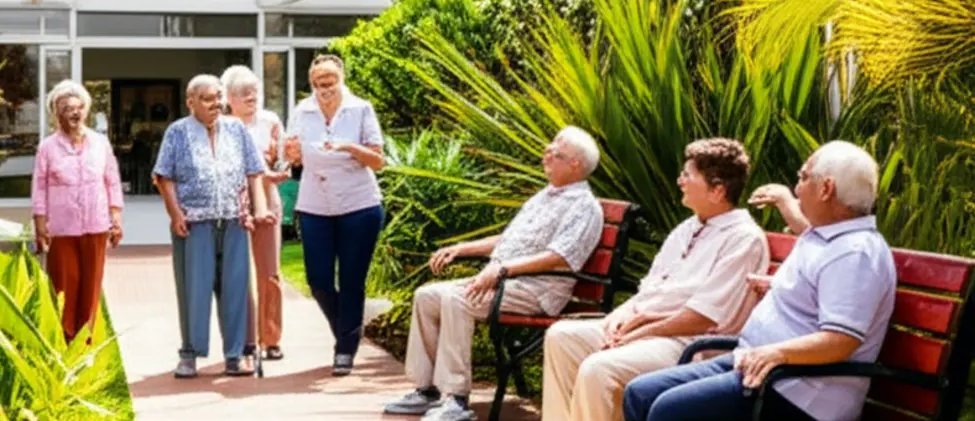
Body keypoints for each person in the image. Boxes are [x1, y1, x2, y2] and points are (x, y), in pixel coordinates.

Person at [622, 141, 895, 421]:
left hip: (798, 389)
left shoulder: (855, 253)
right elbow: (820, 291)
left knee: (669, 412)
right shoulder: (825, 237)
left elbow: (841, 340)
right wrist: (774, 286)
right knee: (640, 394)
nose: (796, 189)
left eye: (802, 178)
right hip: (755, 365)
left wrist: (776, 352)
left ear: (826, 189)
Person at [383, 126, 605, 421]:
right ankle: (427, 391)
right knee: (427, 295)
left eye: (555, 153)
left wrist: (502, 269)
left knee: (458, 299)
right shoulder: (546, 196)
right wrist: (462, 248)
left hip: (536, 290)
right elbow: (509, 239)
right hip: (504, 280)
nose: (546, 155)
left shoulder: (584, 207)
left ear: (575, 164)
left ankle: (456, 399)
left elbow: (562, 257)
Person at [541, 138, 770, 421]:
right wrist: (618, 318)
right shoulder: (688, 227)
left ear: (717, 190)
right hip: (649, 328)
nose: (680, 181)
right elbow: (650, 287)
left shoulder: (744, 239)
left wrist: (639, 332)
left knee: (599, 368)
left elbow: (703, 318)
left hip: (691, 343)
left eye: (688, 175)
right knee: (562, 337)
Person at [154, 74, 275, 378]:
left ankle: (234, 354)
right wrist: (176, 214)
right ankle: (189, 353)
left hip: (233, 219)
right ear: (190, 102)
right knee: (194, 289)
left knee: (235, 287)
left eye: (219, 97)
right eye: (208, 98)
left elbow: (254, 171)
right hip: (194, 223)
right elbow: (163, 177)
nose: (216, 103)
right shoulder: (177, 132)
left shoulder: (236, 129)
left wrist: (259, 209)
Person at [283, 54, 385, 376]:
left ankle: (345, 348)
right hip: (315, 203)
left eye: (328, 82)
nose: (323, 89)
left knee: (352, 279)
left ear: (341, 80)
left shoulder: (361, 109)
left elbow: (378, 160)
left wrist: (349, 148)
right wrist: (292, 153)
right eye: (316, 83)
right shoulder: (303, 110)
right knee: (319, 280)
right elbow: (294, 155)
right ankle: (348, 327)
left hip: (359, 204)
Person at [31, 80, 124, 344]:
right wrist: (40, 225)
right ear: (56, 114)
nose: (73, 113)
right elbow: (39, 188)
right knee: (64, 285)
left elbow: (112, 181)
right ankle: (64, 339)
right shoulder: (48, 147)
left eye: (78, 107)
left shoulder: (100, 143)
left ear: (85, 110)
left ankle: (86, 341)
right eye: (66, 108)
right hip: (62, 228)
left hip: (95, 225)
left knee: (91, 285)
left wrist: (115, 219)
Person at [221, 64, 293, 362]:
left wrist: (281, 170)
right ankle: (243, 339)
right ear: (229, 98)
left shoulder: (270, 121)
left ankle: (271, 338)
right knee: (235, 275)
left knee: (270, 272)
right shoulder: (221, 124)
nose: (251, 97)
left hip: (267, 195)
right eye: (242, 93)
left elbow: (284, 157)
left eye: (254, 91)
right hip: (232, 202)